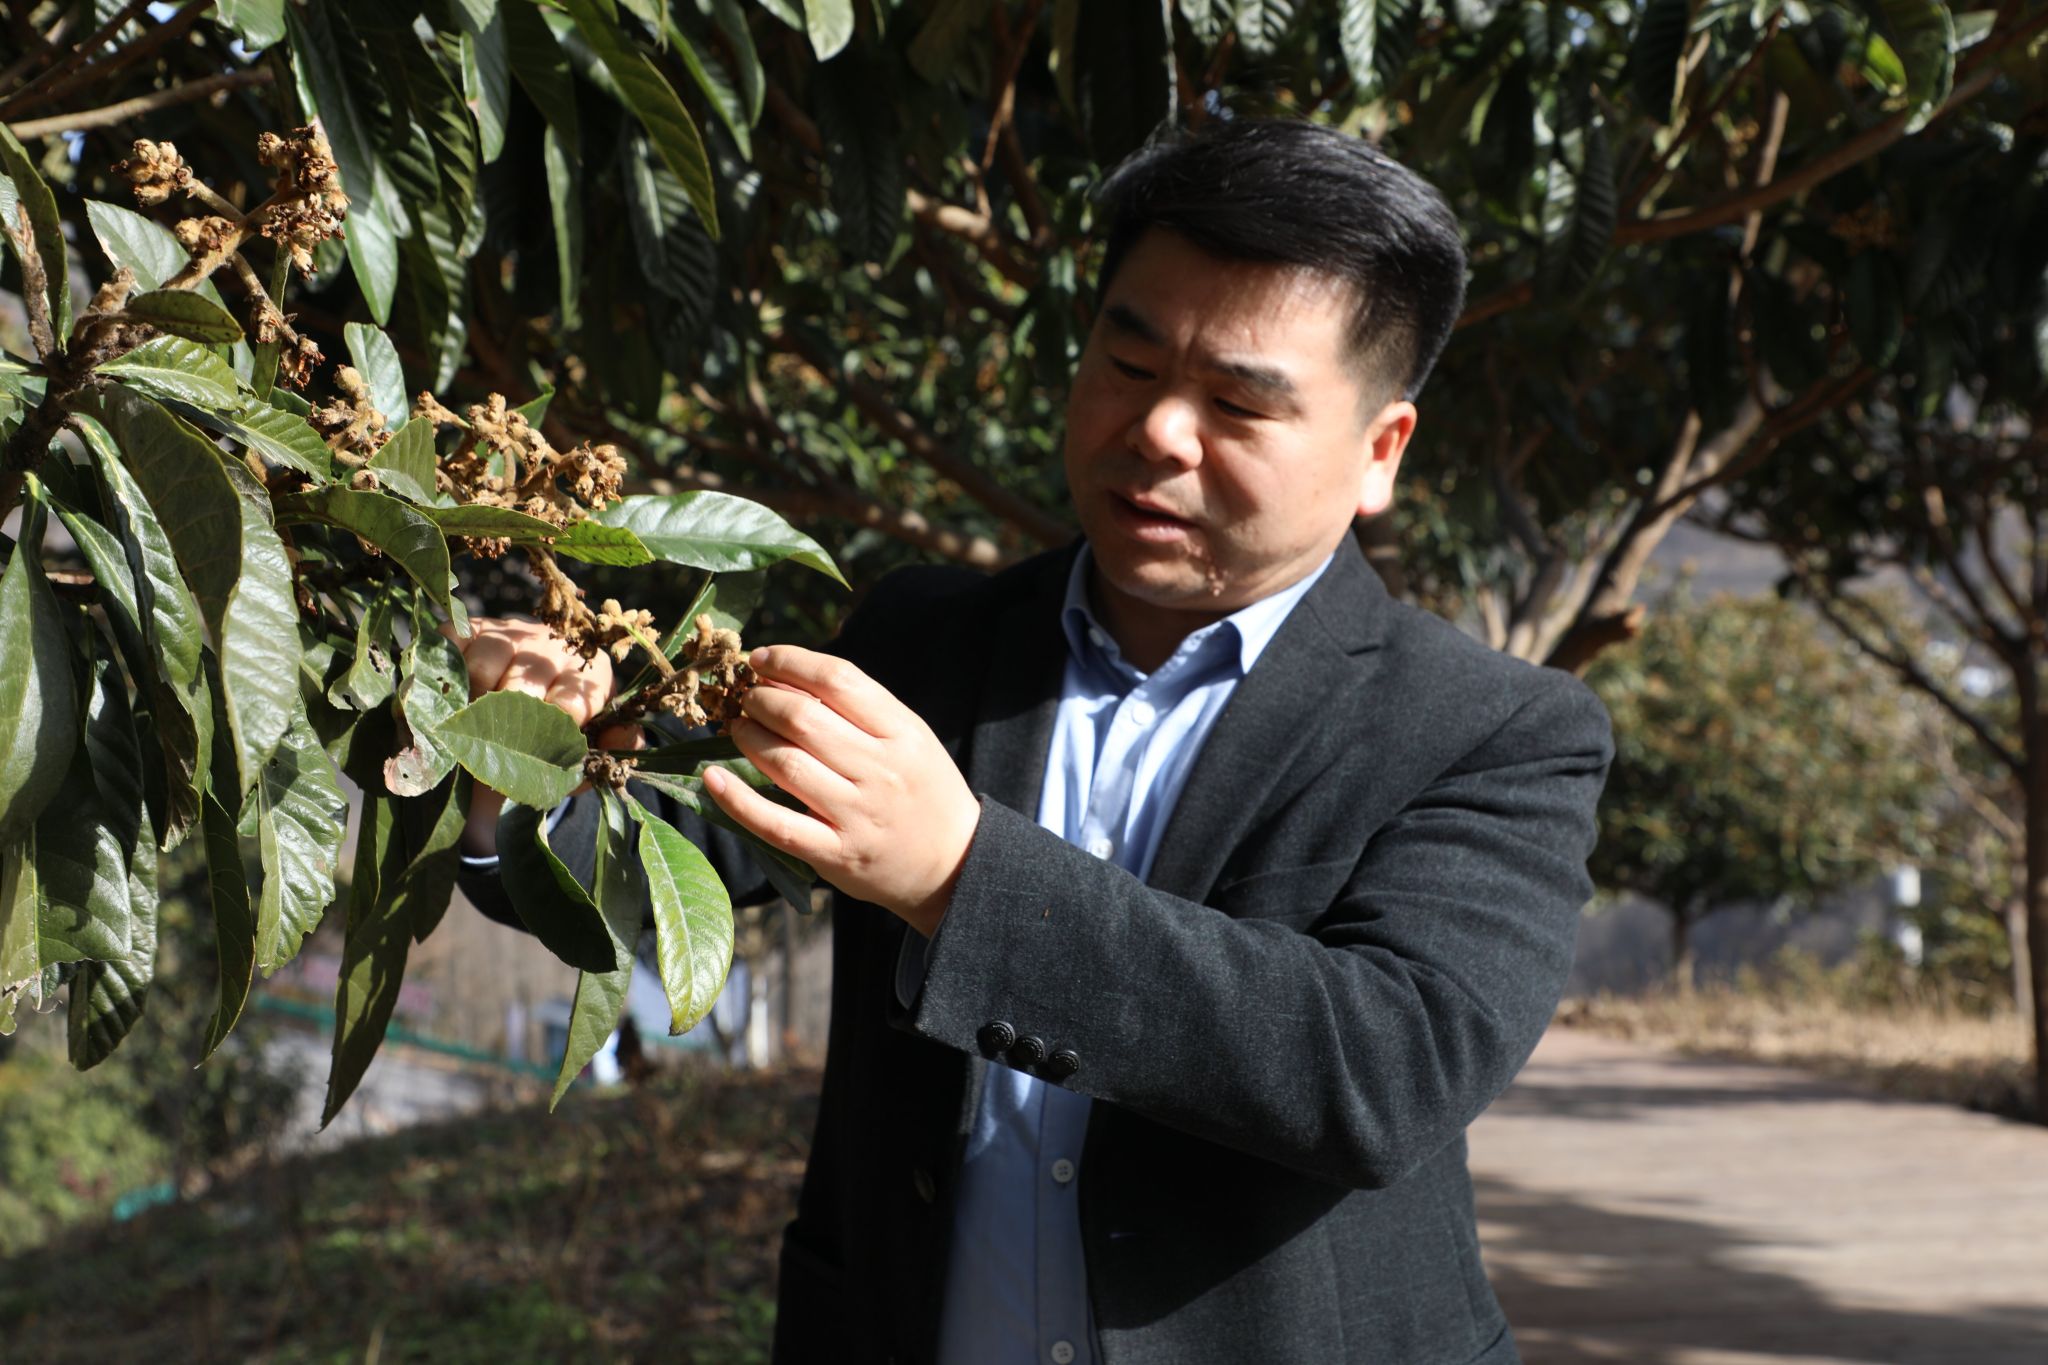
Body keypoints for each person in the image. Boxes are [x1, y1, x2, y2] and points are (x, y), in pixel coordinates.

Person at [455, 117, 1611, 1364]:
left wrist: (958, 877)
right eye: (1129, 361)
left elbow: (1382, 1072)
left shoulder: (1494, 731)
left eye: (1237, 402)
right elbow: (667, 854)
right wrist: (528, 758)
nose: (1160, 432)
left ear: (1379, 451)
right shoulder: (921, 641)